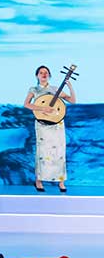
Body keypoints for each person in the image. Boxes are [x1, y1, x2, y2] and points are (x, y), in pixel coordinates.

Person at [24, 65, 76, 193]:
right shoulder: (34, 89)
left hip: (57, 124)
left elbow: (72, 101)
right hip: (42, 124)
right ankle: (39, 180)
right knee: (43, 152)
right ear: (37, 75)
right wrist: (43, 108)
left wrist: (70, 86)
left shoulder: (55, 89)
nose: (44, 74)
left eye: (46, 72)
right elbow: (27, 104)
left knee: (59, 152)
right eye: (41, 72)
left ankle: (61, 181)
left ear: (49, 75)